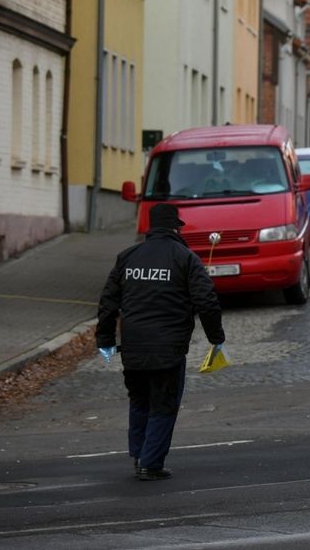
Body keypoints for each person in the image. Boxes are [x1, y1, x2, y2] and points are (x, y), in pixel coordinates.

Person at [96, 203, 225, 481]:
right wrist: (217, 339)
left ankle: (139, 455)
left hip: (132, 346)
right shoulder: (185, 258)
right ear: (176, 228)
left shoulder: (127, 257)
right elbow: (207, 301)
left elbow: (108, 303)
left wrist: (105, 339)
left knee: (139, 401)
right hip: (168, 347)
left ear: (149, 229)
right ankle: (150, 463)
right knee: (163, 404)